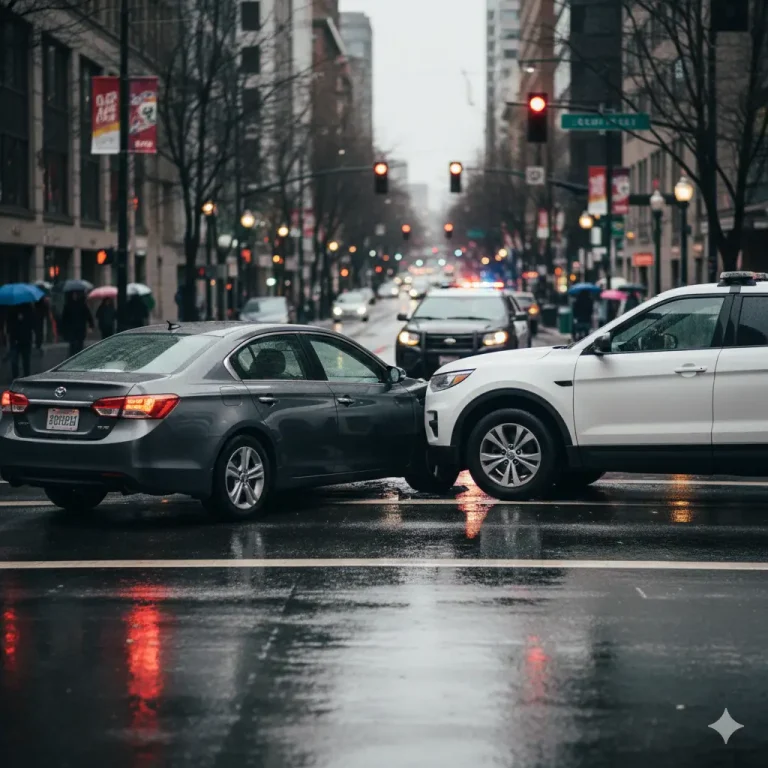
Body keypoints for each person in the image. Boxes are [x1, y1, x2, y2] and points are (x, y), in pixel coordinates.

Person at [5, 302, 36, 379]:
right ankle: (21, 375)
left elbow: (32, 323)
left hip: (21, 337)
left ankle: (21, 375)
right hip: (19, 337)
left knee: (23, 358)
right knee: (21, 359)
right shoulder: (14, 309)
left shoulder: (27, 309)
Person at [61, 291, 94, 356]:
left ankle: (77, 355)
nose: (75, 296)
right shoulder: (68, 305)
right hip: (72, 327)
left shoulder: (82, 305)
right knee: (73, 343)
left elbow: (88, 316)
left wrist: (91, 325)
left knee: (79, 343)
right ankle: (73, 356)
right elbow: (64, 317)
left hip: (80, 327)